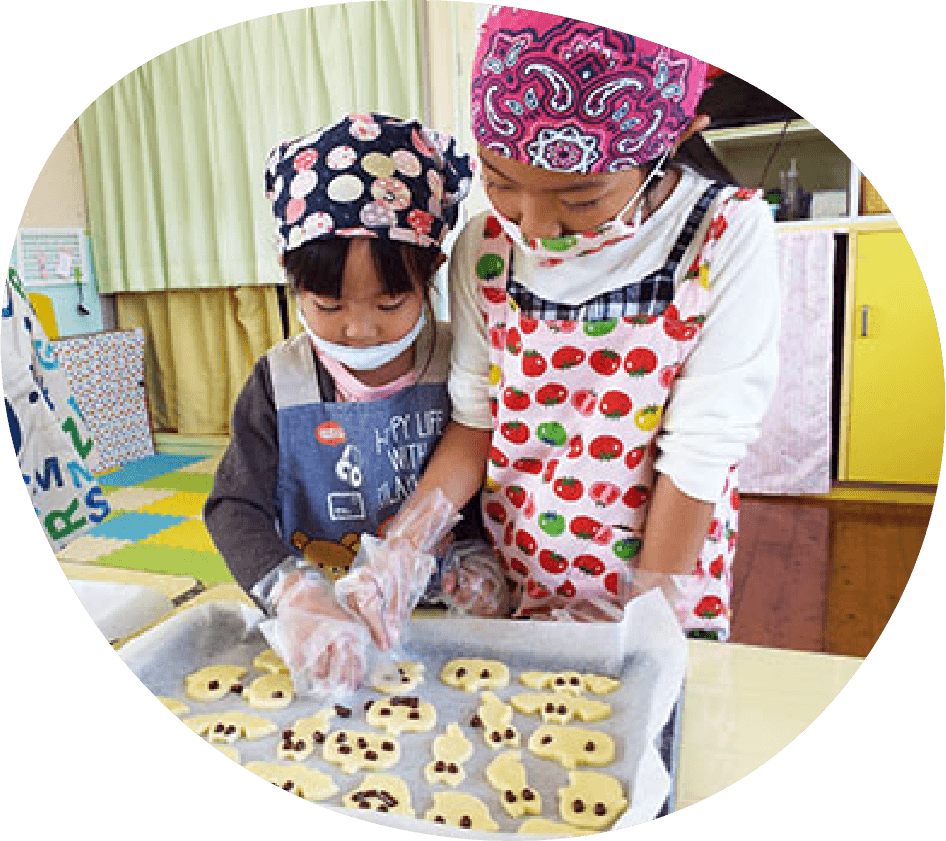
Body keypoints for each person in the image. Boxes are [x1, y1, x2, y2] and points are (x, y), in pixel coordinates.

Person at [341, 8, 779, 645]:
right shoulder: (484, 246)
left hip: (661, 579)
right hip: (520, 571)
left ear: (674, 141)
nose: (535, 227)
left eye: (580, 199)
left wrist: (649, 615)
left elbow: (701, 452)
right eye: (500, 182)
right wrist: (403, 547)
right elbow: (474, 420)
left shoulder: (726, 236)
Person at [204, 112, 480, 693]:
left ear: (431, 273)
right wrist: (291, 589)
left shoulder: (463, 362)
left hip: (453, 620)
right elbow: (236, 506)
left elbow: (489, 472)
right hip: (331, 621)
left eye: (390, 302)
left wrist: (473, 560)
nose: (359, 330)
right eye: (329, 305)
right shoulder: (279, 382)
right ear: (291, 280)